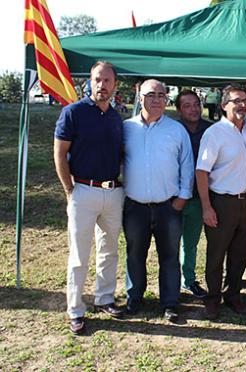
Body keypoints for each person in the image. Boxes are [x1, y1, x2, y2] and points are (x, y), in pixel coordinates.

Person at [54, 61, 125, 335]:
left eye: (107, 81)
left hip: (112, 193)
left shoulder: (116, 117)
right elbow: (59, 154)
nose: (102, 85)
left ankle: (104, 298)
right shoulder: (73, 113)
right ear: (90, 81)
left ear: (115, 85)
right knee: (79, 255)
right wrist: (69, 190)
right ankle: (75, 309)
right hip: (82, 191)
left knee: (109, 250)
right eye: (97, 79)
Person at [123, 79, 194, 322]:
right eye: (150, 94)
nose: (156, 99)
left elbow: (187, 165)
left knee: (170, 256)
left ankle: (170, 303)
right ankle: (134, 298)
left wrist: (183, 197)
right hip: (135, 206)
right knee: (135, 254)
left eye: (161, 95)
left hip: (168, 206)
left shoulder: (176, 130)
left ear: (166, 99)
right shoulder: (126, 128)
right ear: (139, 95)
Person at [196, 84, 246, 320]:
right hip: (223, 203)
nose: (242, 104)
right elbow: (201, 172)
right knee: (216, 254)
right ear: (223, 106)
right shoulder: (215, 133)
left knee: (240, 252)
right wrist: (206, 207)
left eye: (245, 100)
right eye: (236, 101)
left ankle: (233, 294)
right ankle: (212, 298)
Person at [174, 90, 213, 299]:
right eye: (187, 105)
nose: (193, 109)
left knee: (191, 243)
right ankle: (170, 284)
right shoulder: (171, 129)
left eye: (196, 104)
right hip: (173, 198)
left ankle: (188, 280)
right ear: (179, 110)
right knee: (170, 243)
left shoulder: (210, 130)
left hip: (199, 199)